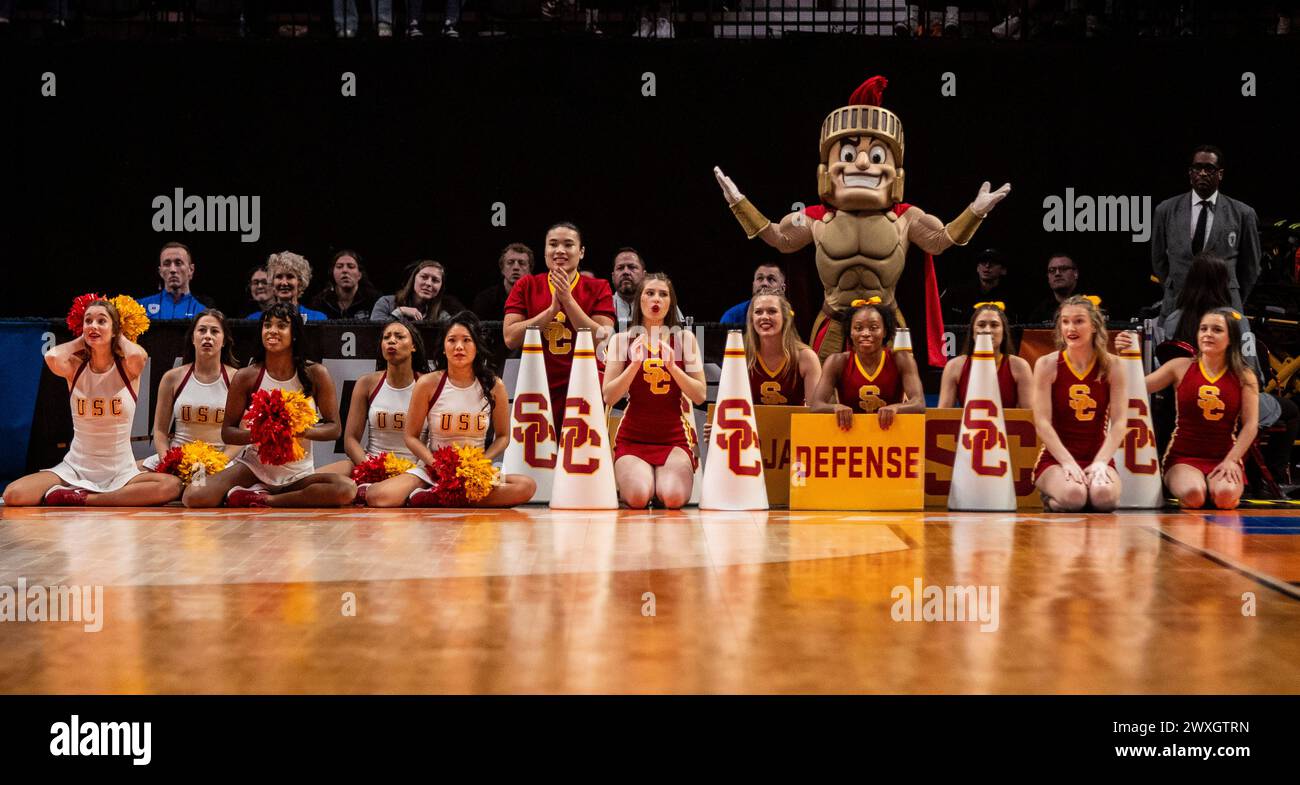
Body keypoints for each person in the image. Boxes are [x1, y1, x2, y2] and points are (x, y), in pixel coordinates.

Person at [2, 299, 181, 506]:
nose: (93, 325)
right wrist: (84, 338)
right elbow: (51, 356)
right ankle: (77, 491)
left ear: (115, 329)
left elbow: (138, 354)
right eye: (88, 321)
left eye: (101, 321)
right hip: (76, 468)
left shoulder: (127, 368)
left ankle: (86, 498)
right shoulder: (75, 368)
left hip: (120, 471)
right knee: (13, 495)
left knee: (172, 486)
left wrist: (117, 333)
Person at [183, 303, 355, 508]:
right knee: (193, 495)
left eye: (281, 326)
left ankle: (264, 499)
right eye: (267, 325)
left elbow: (334, 428)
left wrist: (299, 431)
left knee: (347, 489)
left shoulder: (316, 374)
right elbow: (227, 432)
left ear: (294, 334)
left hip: (298, 473)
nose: (272, 331)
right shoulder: (247, 376)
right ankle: (255, 488)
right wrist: (263, 434)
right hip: (254, 468)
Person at [366, 313, 537, 507]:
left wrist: (481, 463)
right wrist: (436, 464)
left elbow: (503, 436)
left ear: (476, 347)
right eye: (452, 340)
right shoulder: (428, 383)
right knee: (378, 496)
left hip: (473, 472)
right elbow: (411, 437)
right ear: (444, 349)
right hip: (433, 469)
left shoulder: (494, 385)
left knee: (526, 486)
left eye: (466, 340)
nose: (459, 347)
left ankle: (436, 498)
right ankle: (449, 494)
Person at [1159, 253, 1296, 486]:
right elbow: (1252, 372)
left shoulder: (1171, 319)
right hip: (1226, 405)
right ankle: (1272, 475)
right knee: (1291, 410)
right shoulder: (1234, 319)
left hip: (1181, 406)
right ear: (1224, 283)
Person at [1117, 309, 1258, 510]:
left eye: (1216, 330)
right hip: (1183, 457)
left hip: (1225, 456)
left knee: (1225, 497)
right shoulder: (1180, 366)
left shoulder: (1244, 375)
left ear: (1230, 339)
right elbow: (1135, 387)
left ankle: (1219, 489)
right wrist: (1124, 355)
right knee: (1194, 496)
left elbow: (1251, 424)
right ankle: (1201, 489)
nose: (1208, 334)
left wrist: (1232, 460)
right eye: (1203, 329)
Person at [602, 274, 707, 509]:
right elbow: (609, 396)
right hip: (632, 438)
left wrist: (672, 367)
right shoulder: (621, 340)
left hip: (673, 438)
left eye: (663, 294)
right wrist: (634, 365)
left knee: (673, 498)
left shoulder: (685, 339)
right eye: (650, 293)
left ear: (671, 302)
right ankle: (648, 482)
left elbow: (700, 395)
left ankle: (661, 482)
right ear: (639, 300)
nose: (656, 299)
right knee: (639, 497)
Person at [503, 222, 617, 409]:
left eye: (568, 244)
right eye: (553, 244)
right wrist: (551, 311)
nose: (560, 250)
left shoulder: (599, 287)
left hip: (584, 384)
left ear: (581, 252)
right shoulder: (526, 285)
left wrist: (568, 301)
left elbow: (602, 340)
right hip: (536, 384)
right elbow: (510, 338)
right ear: (546, 250)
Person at [1030, 295, 1127, 512]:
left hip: (1097, 454)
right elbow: (1042, 423)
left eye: (1079, 321)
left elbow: (1120, 422)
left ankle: (1089, 490)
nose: (1070, 328)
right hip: (1056, 458)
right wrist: (1067, 462)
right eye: (1065, 321)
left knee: (1104, 499)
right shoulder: (1047, 364)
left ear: (1094, 326)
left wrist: (1102, 461)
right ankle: (1052, 499)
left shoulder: (1113, 366)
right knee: (1074, 496)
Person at [319, 319, 430, 499]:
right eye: (386, 337)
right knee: (310, 480)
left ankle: (372, 492)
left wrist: (413, 470)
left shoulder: (428, 384)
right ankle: (264, 492)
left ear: (414, 347)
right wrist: (370, 467)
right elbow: (350, 440)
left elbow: (434, 441)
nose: (391, 341)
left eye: (399, 336)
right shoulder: (367, 383)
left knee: (381, 497)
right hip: (370, 465)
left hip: (412, 471)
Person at [1152, 145, 1261, 316]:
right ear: (1190, 173)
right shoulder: (1166, 210)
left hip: (1224, 305)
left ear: (1220, 174)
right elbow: (1158, 260)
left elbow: (1251, 267)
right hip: (1177, 304)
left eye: (1209, 168)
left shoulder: (1243, 213)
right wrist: (1175, 286)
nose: (1202, 173)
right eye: (1197, 168)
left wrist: (1233, 296)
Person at [143, 311, 242, 470]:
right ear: (192, 338)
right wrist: (167, 461)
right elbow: (160, 431)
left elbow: (242, 434)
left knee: (197, 491)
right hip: (177, 460)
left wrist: (217, 463)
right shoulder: (172, 378)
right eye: (202, 330)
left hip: (220, 463)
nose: (207, 336)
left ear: (224, 341)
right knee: (127, 477)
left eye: (215, 331)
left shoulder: (237, 380)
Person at [810, 298, 925, 431]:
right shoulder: (837, 361)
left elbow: (919, 403)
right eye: (858, 328)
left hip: (891, 435)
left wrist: (896, 407)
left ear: (885, 331)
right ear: (850, 332)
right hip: (849, 436)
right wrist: (835, 407)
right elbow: (816, 406)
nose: (865, 333)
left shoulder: (901, 359)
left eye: (873, 328)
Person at [937, 302, 1034, 409]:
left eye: (994, 325)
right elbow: (942, 417)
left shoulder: (1020, 366)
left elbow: (1028, 417)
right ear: (972, 331)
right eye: (981, 324)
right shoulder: (954, 366)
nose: (987, 330)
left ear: (1004, 332)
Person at [745, 288, 821, 405]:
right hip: (753, 424)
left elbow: (816, 410)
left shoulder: (806, 357)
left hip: (793, 423)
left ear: (785, 317)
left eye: (772, 311)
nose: (764, 317)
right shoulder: (742, 355)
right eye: (758, 312)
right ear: (751, 318)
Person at [137, 242, 214, 321]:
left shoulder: (204, 312)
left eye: (178, 263)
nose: (173, 270)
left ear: (191, 270)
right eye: (167, 264)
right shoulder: (140, 308)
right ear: (160, 271)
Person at [611, 247, 683, 330]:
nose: (626, 272)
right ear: (613, 276)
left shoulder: (664, 303)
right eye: (620, 268)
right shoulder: (603, 305)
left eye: (632, 267)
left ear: (644, 275)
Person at [371, 260, 465, 323]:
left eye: (435, 280)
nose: (429, 283)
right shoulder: (386, 303)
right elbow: (374, 333)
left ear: (441, 287)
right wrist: (400, 312)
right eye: (424, 277)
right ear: (413, 280)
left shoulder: (441, 317)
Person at [246, 251, 328, 322]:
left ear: (300, 281)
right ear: (272, 282)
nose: (284, 283)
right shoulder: (254, 319)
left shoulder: (317, 318)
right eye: (279, 277)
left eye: (290, 276)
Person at [944, 248, 1015, 323]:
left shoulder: (1011, 297)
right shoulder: (957, 293)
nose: (987, 265)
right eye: (983, 262)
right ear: (977, 268)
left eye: (994, 262)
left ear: (1003, 270)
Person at [310, 249, 380, 320]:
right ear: (332, 273)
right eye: (339, 266)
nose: (345, 270)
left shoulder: (375, 301)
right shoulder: (321, 302)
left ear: (360, 274)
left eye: (351, 266)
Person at [471, 243, 534, 321]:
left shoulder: (539, 298)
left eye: (521, 263)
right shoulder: (485, 299)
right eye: (510, 262)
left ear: (530, 270)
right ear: (502, 269)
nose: (516, 267)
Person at [720, 263, 785, 326]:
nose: (764, 283)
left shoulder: (789, 315)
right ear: (753, 285)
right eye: (760, 278)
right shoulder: (732, 316)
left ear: (782, 288)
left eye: (771, 279)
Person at [1026, 253, 1080, 324]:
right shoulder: (1039, 313)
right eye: (1052, 270)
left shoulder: (1090, 306)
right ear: (1048, 278)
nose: (1057, 273)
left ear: (1075, 274)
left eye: (1063, 269)